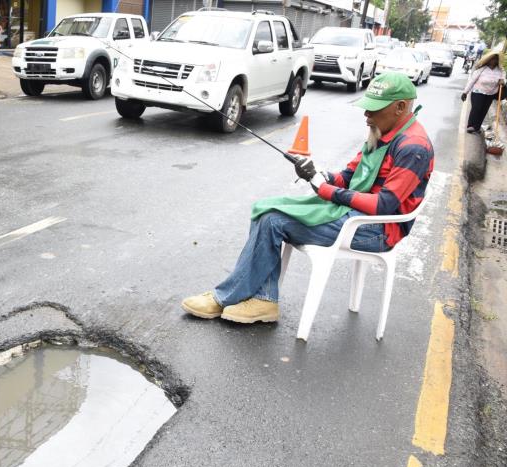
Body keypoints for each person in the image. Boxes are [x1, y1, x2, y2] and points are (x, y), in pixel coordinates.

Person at [181, 73, 434, 324]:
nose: (366, 116)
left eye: (373, 110)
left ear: (400, 107)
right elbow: (347, 176)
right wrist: (316, 173)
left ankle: (226, 298)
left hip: (377, 229)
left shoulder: (414, 147)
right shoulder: (383, 131)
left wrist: (326, 190)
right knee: (266, 209)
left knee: (272, 220)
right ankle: (262, 300)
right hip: (355, 215)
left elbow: (384, 205)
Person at [462, 51, 505, 133]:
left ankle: (477, 127)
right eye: (492, 59)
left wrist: (502, 81)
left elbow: (503, 79)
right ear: (488, 60)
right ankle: (471, 126)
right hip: (478, 92)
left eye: (495, 59)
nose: (493, 61)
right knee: (476, 108)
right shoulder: (482, 69)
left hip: (490, 94)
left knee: (484, 110)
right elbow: (472, 81)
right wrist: (465, 92)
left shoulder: (500, 71)